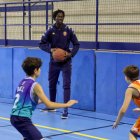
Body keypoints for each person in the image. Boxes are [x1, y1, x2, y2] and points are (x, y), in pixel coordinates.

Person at [10, 57, 78, 140]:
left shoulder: (22, 82)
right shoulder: (35, 85)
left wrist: (39, 101)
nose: (40, 70)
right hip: (22, 119)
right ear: (35, 70)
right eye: (40, 68)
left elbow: (23, 101)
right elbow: (49, 105)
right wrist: (66, 104)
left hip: (14, 117)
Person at [39, 9, 80, 119]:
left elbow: (77, 44)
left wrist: (70, 54)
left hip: (66, 62)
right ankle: (51, 106)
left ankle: (66, 110)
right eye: (58, 16)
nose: (60, 18)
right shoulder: (50, 30)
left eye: (62, 16)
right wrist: (50, 50)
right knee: (52, 84)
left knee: (66, 85)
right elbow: (41, 44)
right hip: (54, 62)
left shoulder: (68, 30)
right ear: (54, 18)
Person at [112, 65, 140, 140]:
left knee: (132, 134)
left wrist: (117, 122)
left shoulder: (130, 89)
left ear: (127, 77)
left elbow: (123, 110)